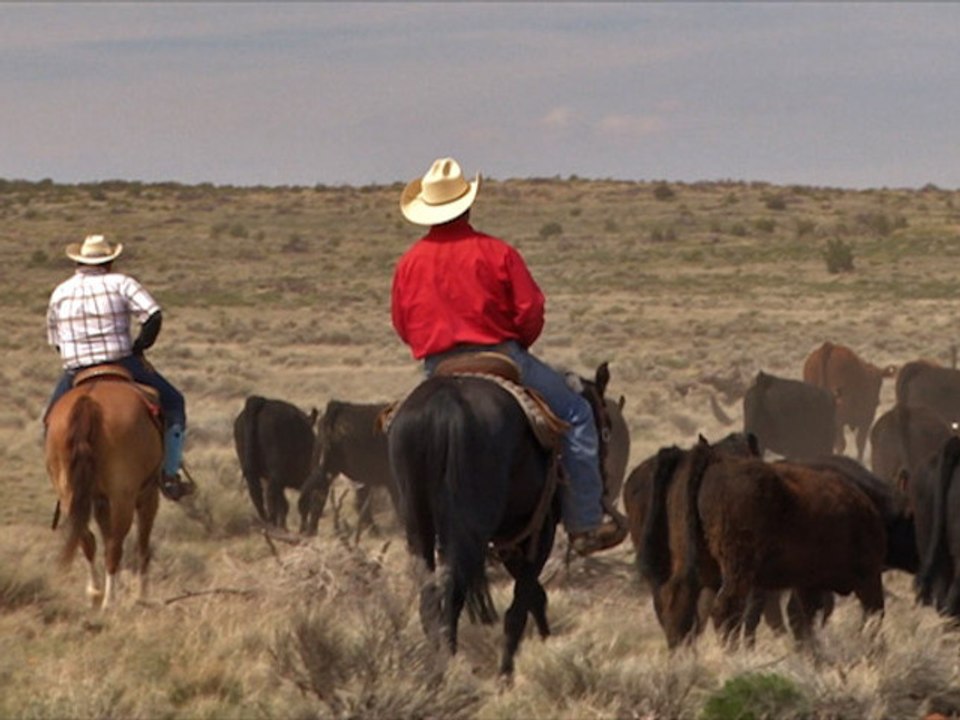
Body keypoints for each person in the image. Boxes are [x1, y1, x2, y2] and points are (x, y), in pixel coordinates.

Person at [391, 157, 626, 556]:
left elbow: (401, 322)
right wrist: (518, 344)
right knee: (577, 414)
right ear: (467, 205)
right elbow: (530, 310)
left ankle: (419, 531)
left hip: (439, 367)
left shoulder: (408, 263)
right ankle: (585, 522)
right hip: (500, 356)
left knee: (400, 426)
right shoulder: (497, 252)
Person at [45, 234, 193, 501]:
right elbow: (153, 316)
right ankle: (170, 474)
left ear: (78, 262)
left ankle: (60, 478)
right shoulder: (122, 283)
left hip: (76, 370)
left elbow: (55, 341)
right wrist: (139, 348)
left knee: (49, 421)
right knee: (174, 403)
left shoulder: (60, 292)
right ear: (110, 261)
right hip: (121, 362)